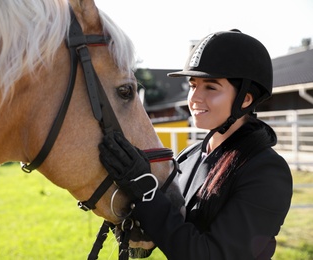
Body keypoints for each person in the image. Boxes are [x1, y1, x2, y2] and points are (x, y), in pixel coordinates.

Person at [98, 29, 293, 259]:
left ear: (246, 99)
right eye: (192, 85)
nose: (194, 98)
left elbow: (207, 254)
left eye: (210, 87)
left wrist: (146, 194)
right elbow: (167, 233)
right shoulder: (188, 157)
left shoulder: (267, 172)